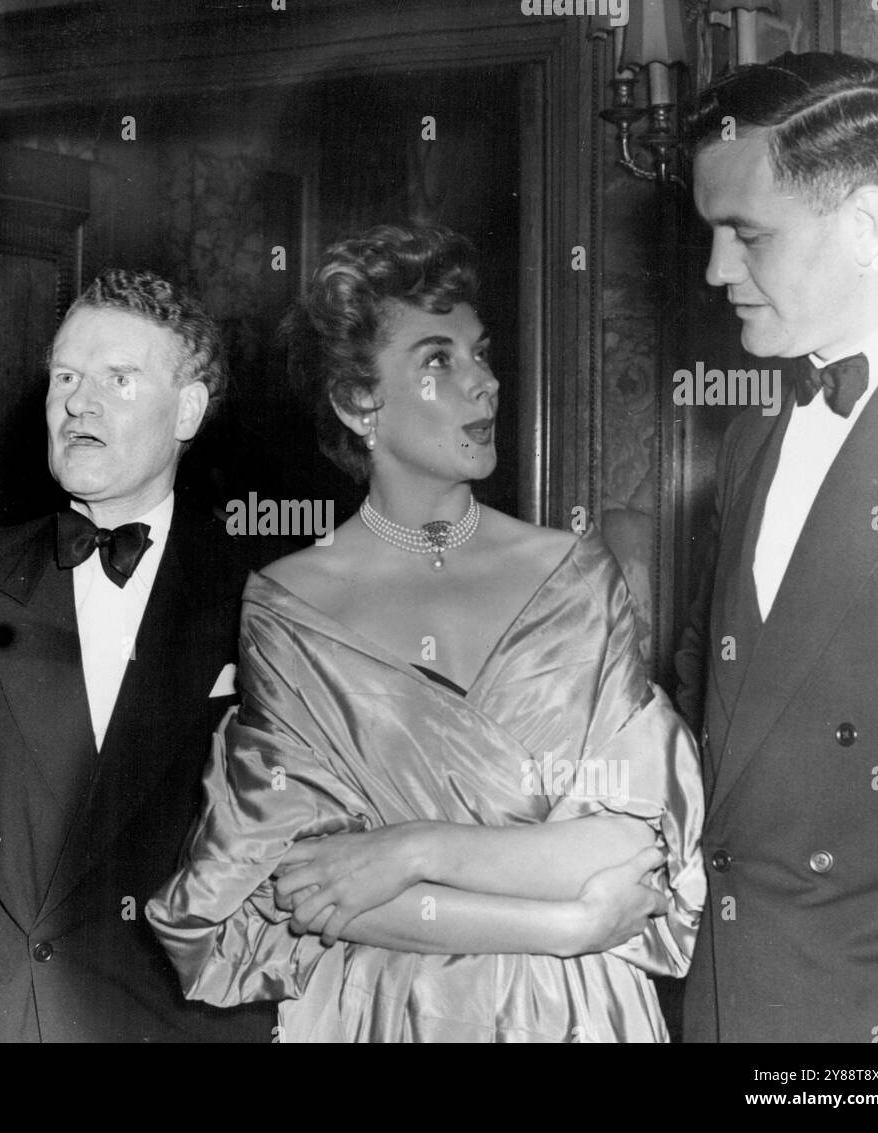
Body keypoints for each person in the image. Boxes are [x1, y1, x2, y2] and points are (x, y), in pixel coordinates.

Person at [147, 224, 705, 1042]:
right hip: (383, 1013)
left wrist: (410, 851)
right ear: (356, 401)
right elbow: (302, 887)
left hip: (575, 1018)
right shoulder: (288, 605)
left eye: (480, 354)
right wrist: (568, 926)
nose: (484, 384)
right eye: (439, 360)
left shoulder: (576, 575)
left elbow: (629, 848)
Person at [0, 268, 276, 1042]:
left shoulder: (262, 605)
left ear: (187, 409)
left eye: (118, 379)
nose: (77, 403)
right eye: (65, 375)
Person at [676, 51, 878, 1044]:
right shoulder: (750, 441)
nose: (713, 271)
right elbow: (722, 698)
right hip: (730, 1001)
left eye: (746, 235)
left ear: (864, 224)